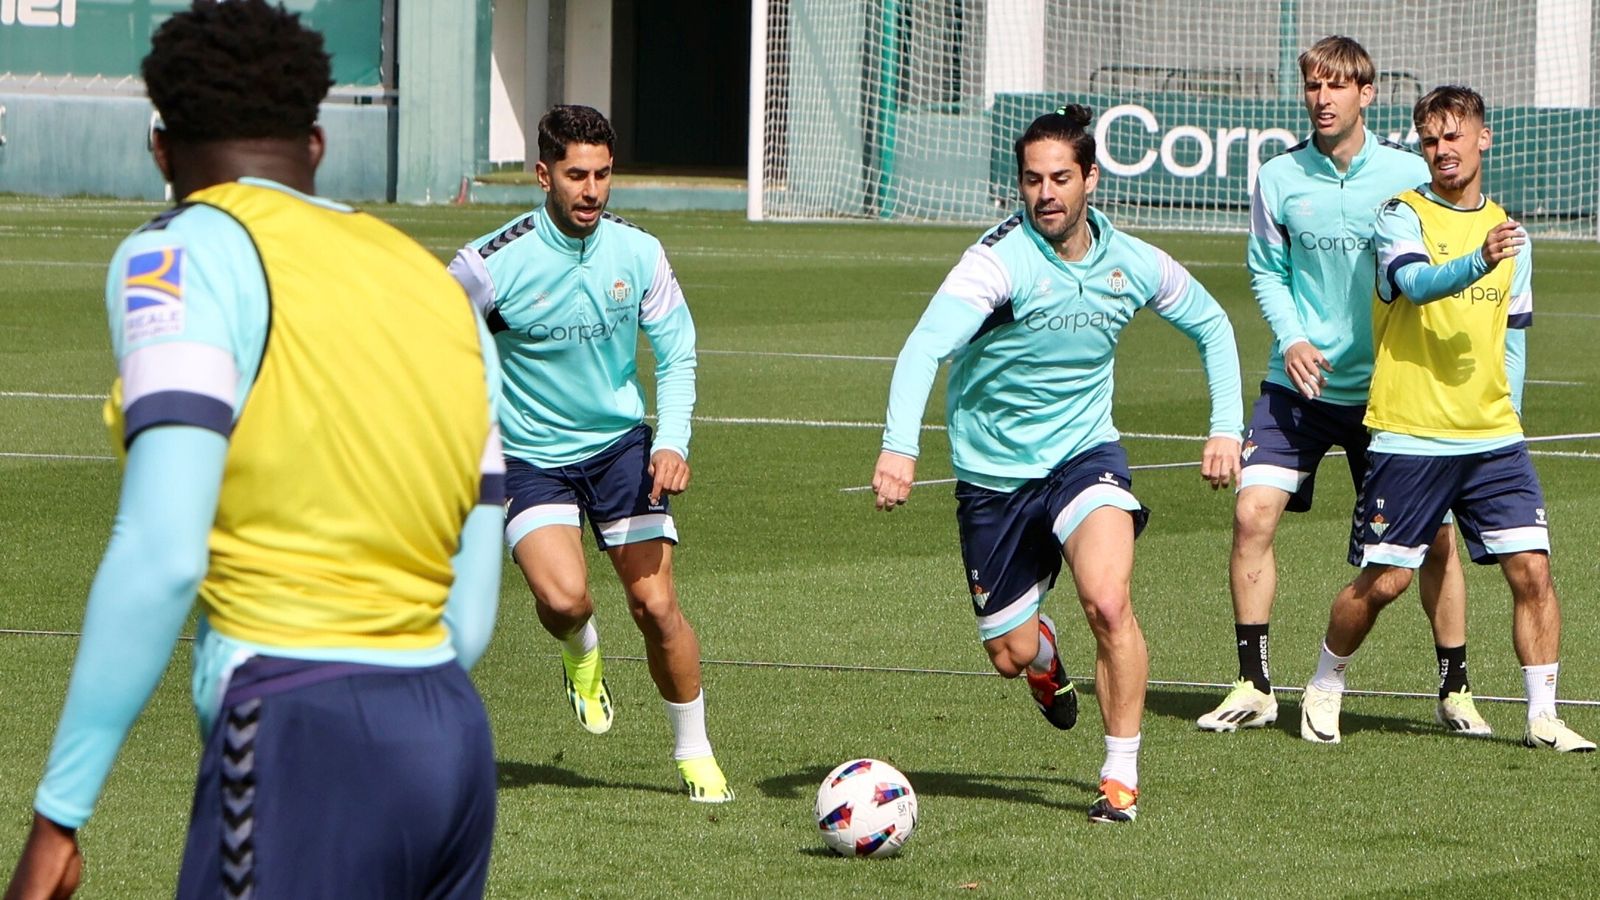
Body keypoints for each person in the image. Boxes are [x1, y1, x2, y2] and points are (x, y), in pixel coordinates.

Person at [5, 2, 506, 898]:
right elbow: (468, 618)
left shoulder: (180, 256)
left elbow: (162, 554)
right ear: (316, 146)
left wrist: (57, 817)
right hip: (451, 745)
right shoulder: (439, 288)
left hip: (298, 730)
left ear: (161, 148)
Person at [872, 105, 1244, 824]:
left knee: (1107, 601)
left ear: (1091, 180)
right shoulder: (996, 264)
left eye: (1061, 179)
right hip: (994, 477)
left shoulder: (1131, 261)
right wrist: (900, 444)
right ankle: (1044, 658)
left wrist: (1225, 426)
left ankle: (1119, 776)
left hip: (1084, 458)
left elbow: (1211, 323)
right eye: (1033, 180)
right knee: (1009, 655)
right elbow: (924, 347)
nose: (1046, 193)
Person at [1198, 35, 1486, 736]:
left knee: (1437, 539)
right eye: (1313, 86)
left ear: (1367, 93)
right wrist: (1293, 338)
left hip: (1391, 392)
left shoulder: (1405, 174)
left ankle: (1455, 688)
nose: (1321, 99)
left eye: (1336, 86)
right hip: (1295, 386)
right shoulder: (1277, 177)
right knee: (1251, 515)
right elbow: (1266, 271)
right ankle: (1254, 684)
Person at [447, 105, 731, 802]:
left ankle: (694, 754)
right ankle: (581, 653)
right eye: (577, 175)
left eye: (604, 175)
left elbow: (678, 352)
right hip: (528, 457)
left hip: (619, 450)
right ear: (543, 174)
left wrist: (671, 441)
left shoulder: (638, 254)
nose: (593, 191)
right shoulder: (489, 265)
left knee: (657, 605)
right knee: (565, 599)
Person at [1299, 85, 1593, 752]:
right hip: (1411, 433)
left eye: (1453, 136)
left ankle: (1543, 714)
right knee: (1387, 582)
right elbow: (1418, 285)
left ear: (1482, 139)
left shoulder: (1509, 228)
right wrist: (1479, 258)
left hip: (1493, 438)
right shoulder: (1400, 216)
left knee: (1533, 572)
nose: (1442, 150)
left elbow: (1514, 332)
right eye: (1430, 140)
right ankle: (1325, 681)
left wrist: (1508, 409)